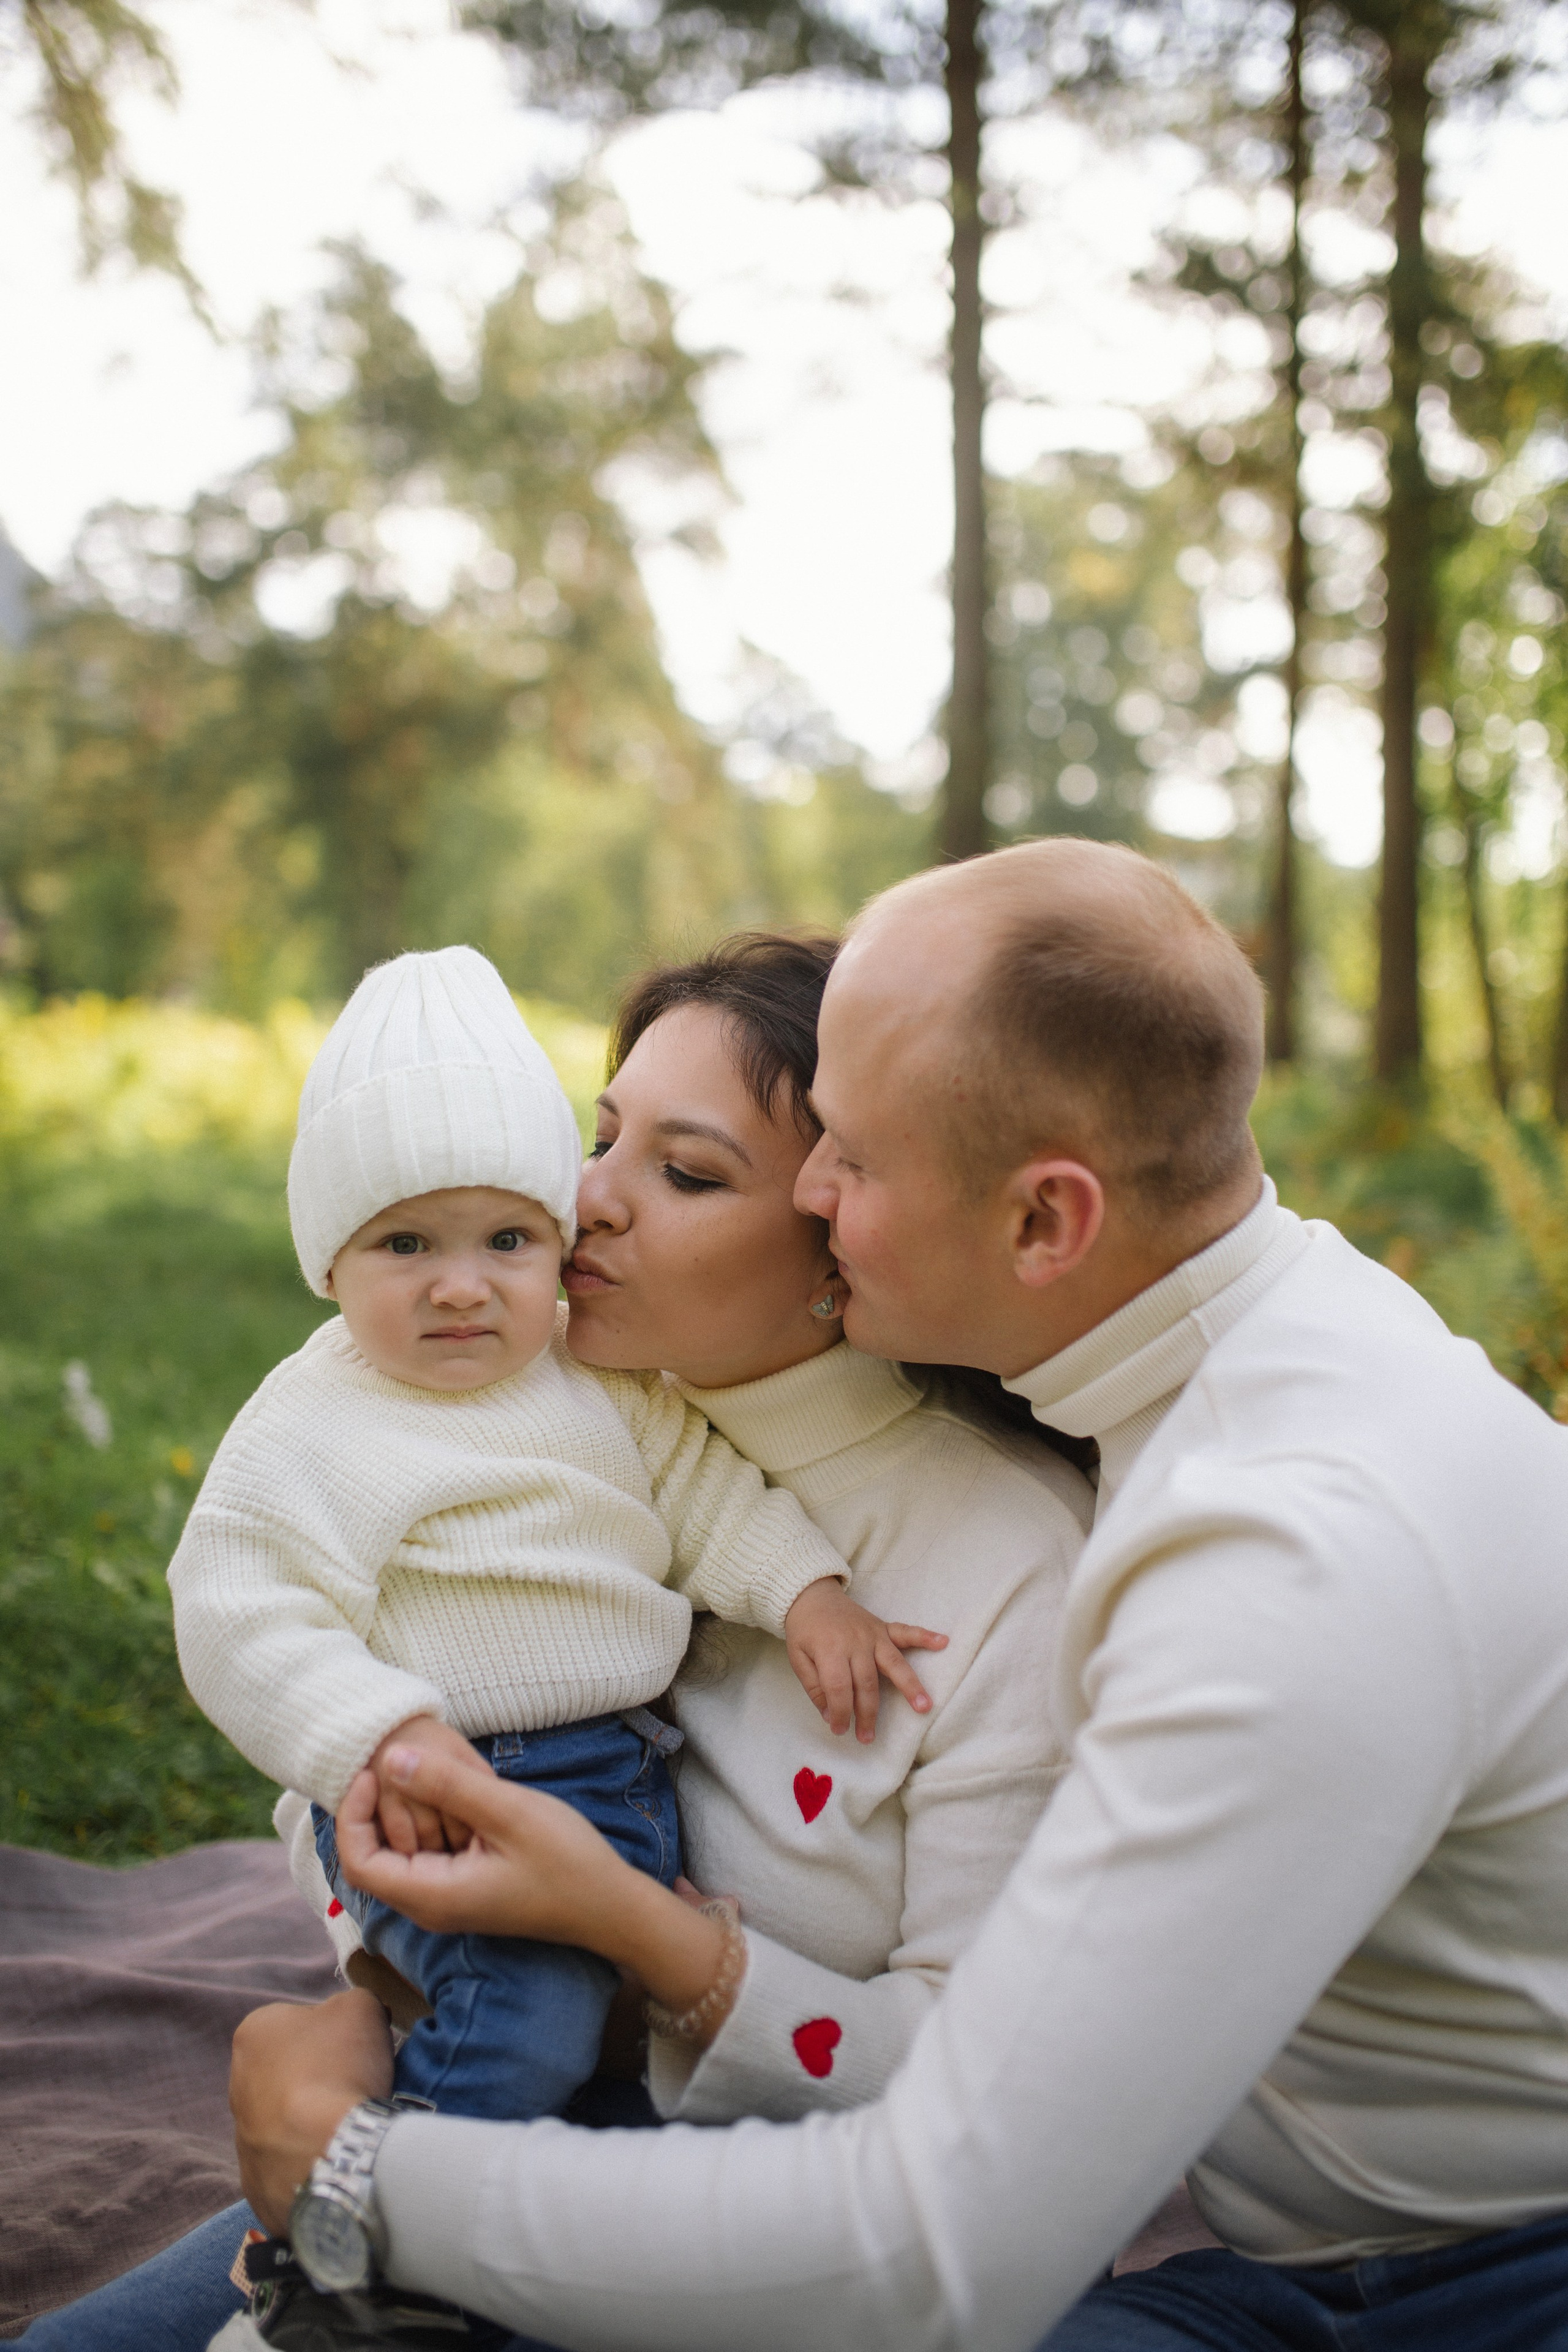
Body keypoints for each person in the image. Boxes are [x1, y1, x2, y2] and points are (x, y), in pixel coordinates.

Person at [216, 837, 1568, 2352]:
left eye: (846, 1160)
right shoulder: (632, 1430)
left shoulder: (1284, 1551)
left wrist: (355, 2171)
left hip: (1464, 2293)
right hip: (1231, 2251)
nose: (810, 1189)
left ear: (1043, 1223)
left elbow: (934, 2246)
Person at [22, 927, 1090, 2350]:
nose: (583, 1199)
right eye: (599, 1137)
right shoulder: (517, 1396)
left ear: (844, 1232)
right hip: (467, 2083)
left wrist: (641, 1941)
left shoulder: (1002, 1568)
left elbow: (978, 2098)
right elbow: (311, 1695)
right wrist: (376, 1953)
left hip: (747, 2211)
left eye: (685, 1172)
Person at [168, 941, 937, 2151]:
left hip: (618, 1776)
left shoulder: (593, 1379)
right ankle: (375, 2212)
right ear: (328, 1261)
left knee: (588, 2025)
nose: (460, 1288)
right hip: (446, 1772)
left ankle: (430, 2172)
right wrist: (375, 1736)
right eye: (405, 1246)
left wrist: (807, 1593)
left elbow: (704, 1497)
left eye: (509, 1241)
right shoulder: (321, 1414)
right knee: (521, 2015)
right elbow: (239, 1604)